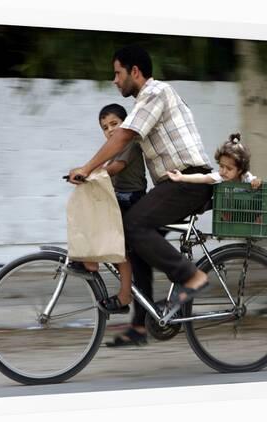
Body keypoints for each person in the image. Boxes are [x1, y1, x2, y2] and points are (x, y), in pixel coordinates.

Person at [68, 44, 213, 320]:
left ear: (134, 71)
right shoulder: (144, 103)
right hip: (175, 185)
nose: (114, 80)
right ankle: (149, 312)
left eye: (118, 73)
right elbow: (120, 141)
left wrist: (87, 168)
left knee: (133, 225)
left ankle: (192, 277)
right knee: (136, 242)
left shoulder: (156, 93)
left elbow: (122, 137)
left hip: (188, 182)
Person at [80, 104, 152, 345]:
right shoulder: (113, 147)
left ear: (126, 123)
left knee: (111, 239)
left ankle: (123, 294)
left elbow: (115, 168)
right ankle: (93, 260)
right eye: (105, 128)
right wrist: (87, 173)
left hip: (132, 200)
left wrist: (90, 174)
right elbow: (103, 167)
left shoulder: (129, 142)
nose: (110, 130)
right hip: (121, 198)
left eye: (114, 124)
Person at [166, 133, 262, 189]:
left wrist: (256, 182)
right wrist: (181, 177)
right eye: (221, 166)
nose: (223, 171)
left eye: (229, 168)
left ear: (240, 170)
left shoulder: (245, 177)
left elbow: (255, 181)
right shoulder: (222, 177)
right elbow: (203, 178)